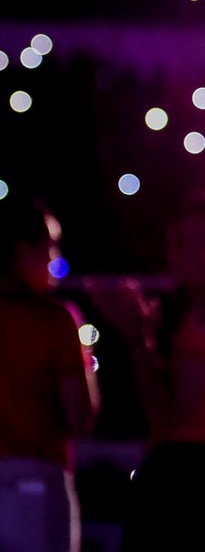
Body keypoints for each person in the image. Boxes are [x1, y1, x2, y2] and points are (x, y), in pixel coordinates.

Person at [94, 190, 205, 552]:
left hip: (192, 489)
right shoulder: (203, 310)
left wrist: (136, 337)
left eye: (201, 241)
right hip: (202, 483)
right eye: (178, 241)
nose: (186, 252)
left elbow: (170, 414)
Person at [0, 196, 98, 552]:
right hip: (35, 484)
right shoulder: (54, 320)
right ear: (22, 249)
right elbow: (79, 416)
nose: (54, 260)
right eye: (49, 246)